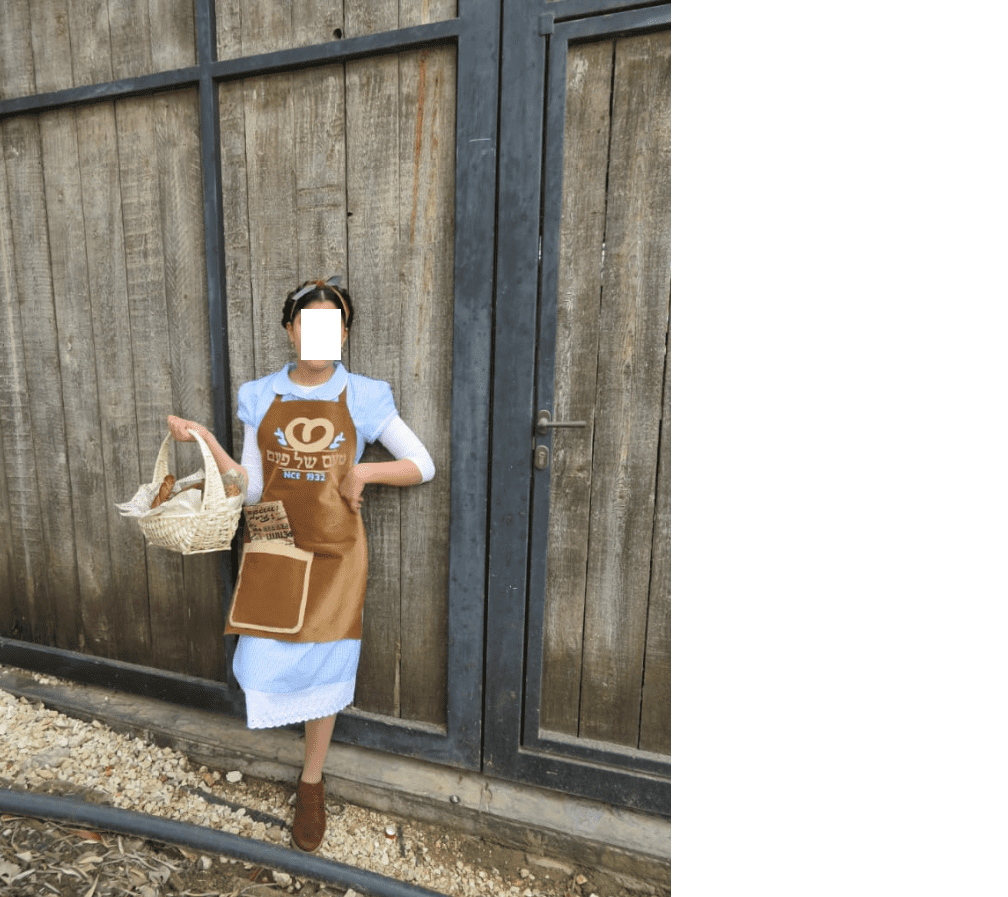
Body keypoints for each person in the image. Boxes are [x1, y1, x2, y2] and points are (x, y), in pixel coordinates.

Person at [167, 278, 434, 852]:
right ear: (290, 330)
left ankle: (311, 782)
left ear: (344, 334)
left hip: (337, 554)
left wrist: (365, 471)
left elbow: (422, 464)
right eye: (307, 325)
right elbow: (250, 486)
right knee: (266, 655)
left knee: (326, 667)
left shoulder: (365, 395)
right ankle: (304, 768)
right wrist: (207, 441)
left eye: (331, 326)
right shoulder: (260, 394)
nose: (319, 337)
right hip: (276, 543)